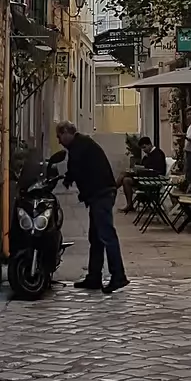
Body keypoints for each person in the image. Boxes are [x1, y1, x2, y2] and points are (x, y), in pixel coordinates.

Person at [54, 121, 129, 293]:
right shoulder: (80, 145)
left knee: (106, 235)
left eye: (59, 136)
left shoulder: (79, 146)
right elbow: (77, 168)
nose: (59, 141)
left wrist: (67, 179)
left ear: (66, 132)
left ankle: (118, 275)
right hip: (99, 195)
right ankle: (94, 276)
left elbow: (76, 168)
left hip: (101, 195)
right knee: (96, 237)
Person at [120, 134, 166, 211]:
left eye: (144, 147)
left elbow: (157, 169)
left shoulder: (158, 154)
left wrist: (143, 169)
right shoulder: (147, 155)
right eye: (142, 148)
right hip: (144, 177)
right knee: (125, 177)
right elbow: (143, 165)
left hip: (151, 180)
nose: (144, 150)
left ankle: (113, 189)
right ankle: (129, 204)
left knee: (125, 177)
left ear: (150, 145)